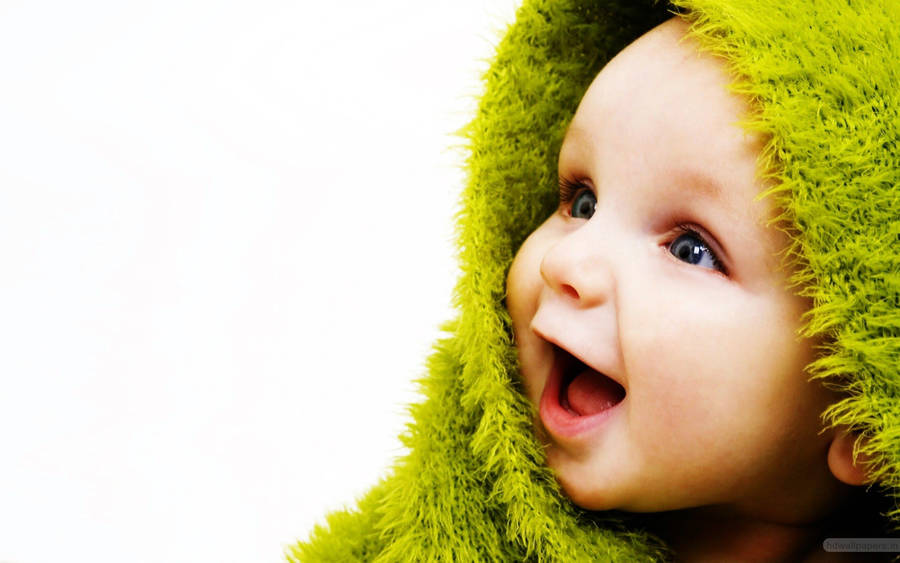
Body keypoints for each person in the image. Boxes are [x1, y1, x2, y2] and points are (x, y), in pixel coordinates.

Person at [289, 1, 900, 561]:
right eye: (581, 202)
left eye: (691, 250)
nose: (568, 263)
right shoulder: (432, 526)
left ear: (864, 412)